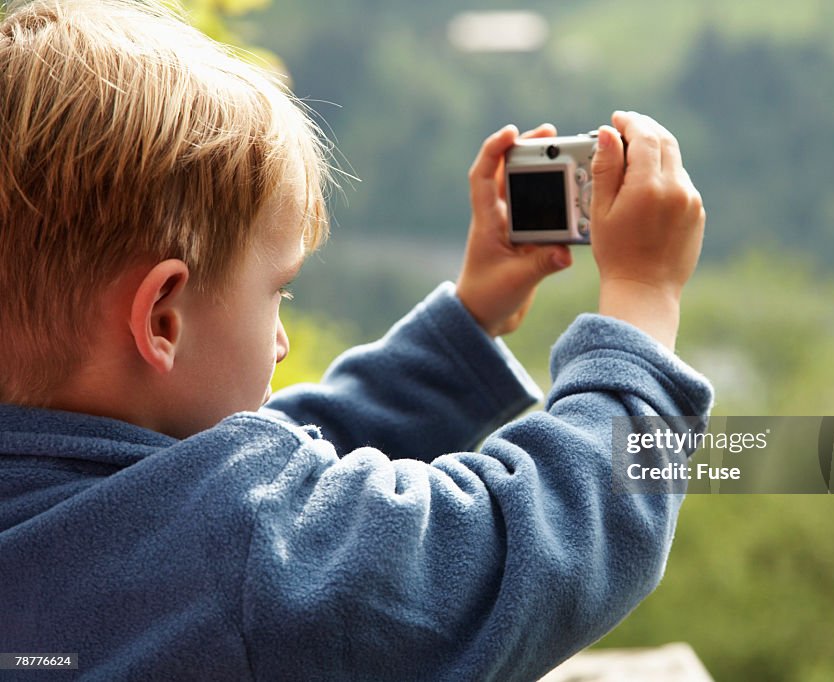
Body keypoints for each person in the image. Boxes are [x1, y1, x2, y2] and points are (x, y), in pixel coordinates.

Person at [0, 0, 712, 679]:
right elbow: (538, 537)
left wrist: (464, 327)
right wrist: (641, 307)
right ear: (162, 319)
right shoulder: (238, 559)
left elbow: (254, 475)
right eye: (277, 292)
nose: (279, 342)